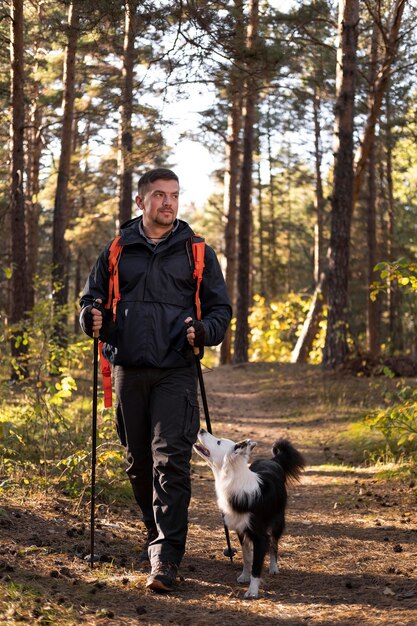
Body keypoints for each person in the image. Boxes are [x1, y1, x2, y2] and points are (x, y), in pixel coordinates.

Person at [79, 167, 231, 592]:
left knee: (171, 462)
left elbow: (220, 311)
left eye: (175, 195)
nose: (168, 202)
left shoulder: (197, 251)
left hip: (176, 371)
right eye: (160, 195)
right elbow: (91, 301)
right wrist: (89, 317)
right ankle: (154, 534)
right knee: (138, 463)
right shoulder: (117, 249)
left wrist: (203, 332)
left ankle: (165, 557)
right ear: (141, 201)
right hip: (128, 368)